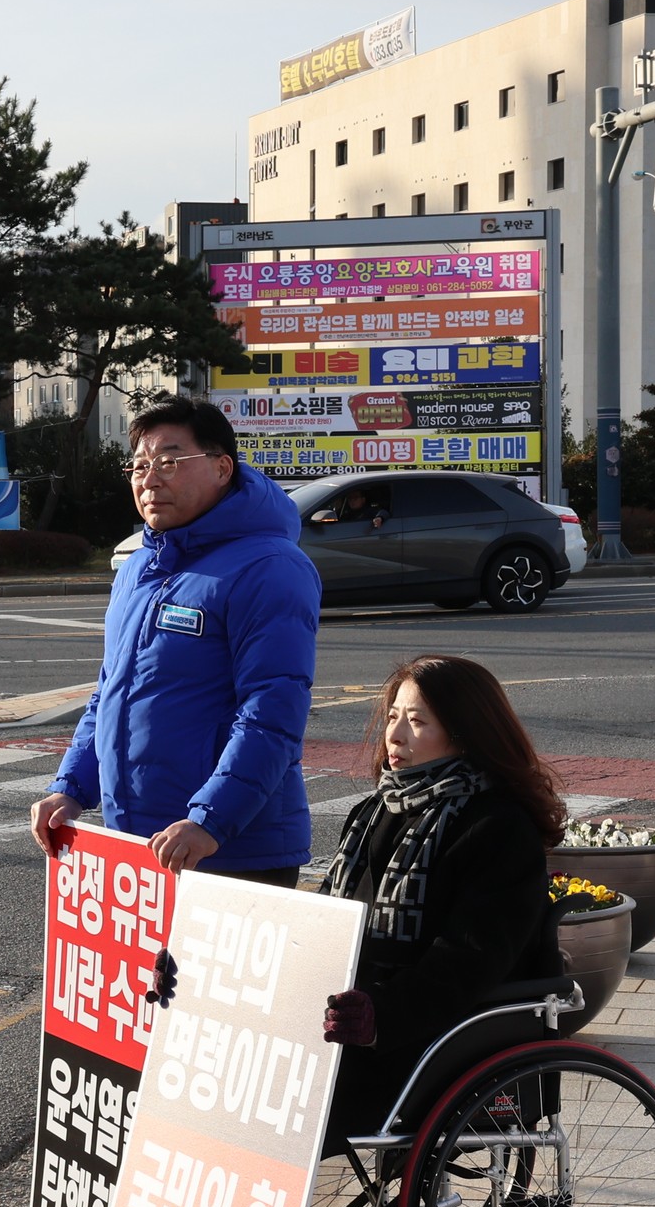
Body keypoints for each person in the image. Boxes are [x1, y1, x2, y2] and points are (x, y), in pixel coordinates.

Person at [31, 397, 320, 880]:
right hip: (138, 843)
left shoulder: (269, 567)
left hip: (229, 848)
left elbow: (273, 708)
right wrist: (72, 787)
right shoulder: (139, 568)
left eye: (169, 461)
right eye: (140, 465)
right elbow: (110, 692)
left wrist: (212, 819)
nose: (149, 478)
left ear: (222, 467)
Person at [314, 653, 567, 1150]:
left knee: (272, 1110)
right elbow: (323, 920)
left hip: (420, 1042)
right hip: (351, 1022)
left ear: (466, 733)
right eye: (392, 717)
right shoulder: (373, 812)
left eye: (417, 722)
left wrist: (379, 1016)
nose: (396, 737)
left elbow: (469, 960)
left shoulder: (496, 827)